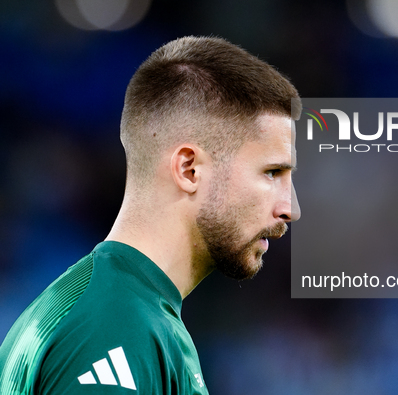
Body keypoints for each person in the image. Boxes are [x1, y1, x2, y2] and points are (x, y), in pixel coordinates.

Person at [0, 36, 301, 394]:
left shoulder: (126, 314)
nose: (290, 208)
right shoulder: (112, 328)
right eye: (271, 173)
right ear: (189, 169)